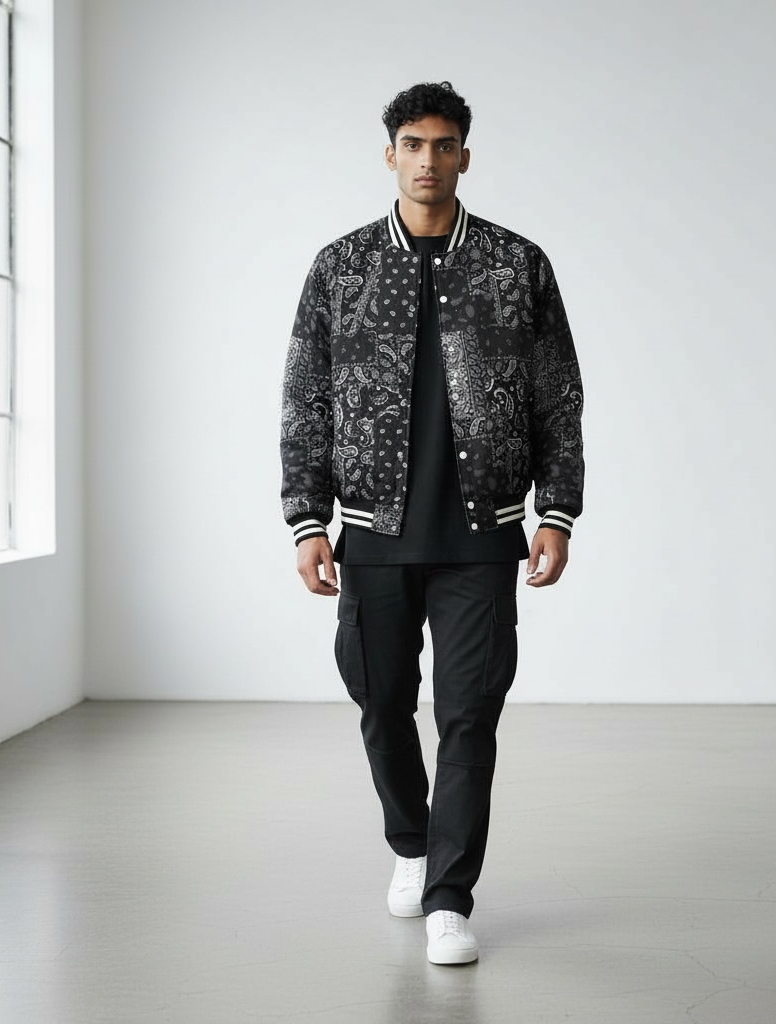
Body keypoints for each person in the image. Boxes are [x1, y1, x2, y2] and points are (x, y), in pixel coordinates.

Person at [280, 81, 584, 965]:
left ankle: (450, 896)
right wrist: (306, 520)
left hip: (482, 535)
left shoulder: (516, 264)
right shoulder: (340, 267)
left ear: (465, 156)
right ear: (390, 155)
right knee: (379, 702)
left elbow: (558, 395)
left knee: (469, 714)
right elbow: (304, 398)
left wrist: (557, 511)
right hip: (372, 531)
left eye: (444, 145)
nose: (428, 160)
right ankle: (412, 845)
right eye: (412, 144)